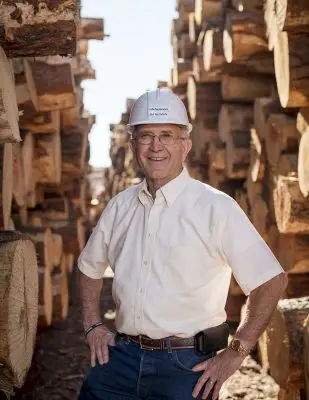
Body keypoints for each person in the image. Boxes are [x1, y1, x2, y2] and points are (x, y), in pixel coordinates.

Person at [77, 88, 288, 400]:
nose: (156, 146)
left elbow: (271, 280)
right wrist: (94, 325)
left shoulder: (216, 207)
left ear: (185, 145)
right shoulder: (119, 207)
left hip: (188, 366)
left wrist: (237, 351)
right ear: (133, 144)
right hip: (121, 358)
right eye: (146, 135)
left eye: (167, 135)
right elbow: (88, 268)